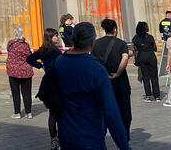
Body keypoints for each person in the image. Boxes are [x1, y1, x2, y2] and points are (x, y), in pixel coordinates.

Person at [50, 22, 130, 150]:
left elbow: (46, 95)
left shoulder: (58, 63)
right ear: (92, 43)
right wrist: (124, 146)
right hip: (90, 136)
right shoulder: (96, 70)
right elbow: (111, 113)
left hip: (67, 135)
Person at [92, 18, 131, 138]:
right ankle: (124, 136)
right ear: (115, 29)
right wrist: (118, 73)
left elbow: (93, 61)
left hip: (103, 82)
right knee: (124, 111)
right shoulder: (121, 43)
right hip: (120, 82)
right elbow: (125, 58)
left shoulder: (96, 43)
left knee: (103, 111)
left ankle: (101, 136)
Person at [26, 28, 62, 149]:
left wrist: (40, 66)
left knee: (52, 114)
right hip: (57, 83)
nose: (58, 38)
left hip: (47, 83)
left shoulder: (42, 50)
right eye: (56, 36)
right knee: (60, 113)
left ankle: (54, 139)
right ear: (50, 37)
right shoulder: (56, 52)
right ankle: (60, 138)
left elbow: (29, 59)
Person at [5, 26, 34, 119]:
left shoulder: (10, 43)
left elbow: (8, 50)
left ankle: (17, 112)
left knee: (15, 92)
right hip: (26, 71)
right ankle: (28, 112)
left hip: (13, 71)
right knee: (27, 92)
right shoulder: (26, 45)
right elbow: (30, 55)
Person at [132, 21, 160, 102]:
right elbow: (155, 48)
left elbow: (135, 48)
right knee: (154, 76)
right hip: (151, 55)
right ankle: (157, 96)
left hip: (142, 56)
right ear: (145, 28)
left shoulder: (135, 38)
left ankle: (148, 95)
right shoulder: (150, 37)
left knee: (145, 76)